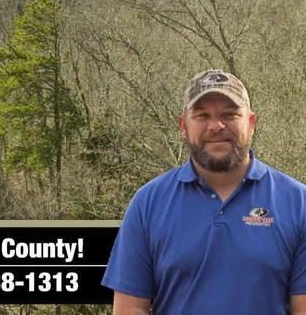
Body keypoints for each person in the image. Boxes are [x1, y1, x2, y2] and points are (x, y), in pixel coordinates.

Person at [101, 69, 306, 315]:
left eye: (229, 115)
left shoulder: (298, 203)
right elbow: (130, 309)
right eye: (202, 115)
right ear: (183, 127)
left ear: (251, 123)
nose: (216, 126)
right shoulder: (148, 203)